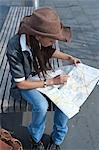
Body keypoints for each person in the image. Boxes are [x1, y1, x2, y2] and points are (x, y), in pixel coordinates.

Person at [6, 7, 81, 150]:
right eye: (52, 39)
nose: (54, 42)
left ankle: (57, 140)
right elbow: (21, 84)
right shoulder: (14, 46)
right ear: (38, 36)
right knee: (41, 106)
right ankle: (35, 139)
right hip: (27, 82)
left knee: (66, 101)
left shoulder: (37, 39)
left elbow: (49, 51)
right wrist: (52, 82)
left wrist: (69, 58)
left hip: (42, 76)